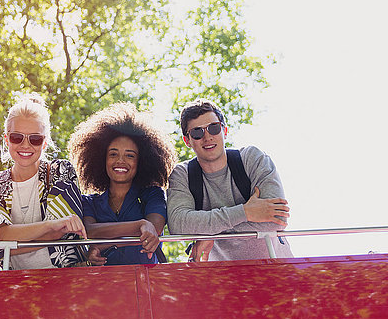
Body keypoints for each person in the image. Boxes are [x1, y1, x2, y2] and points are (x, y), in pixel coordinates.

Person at [167, 98, 293, 261]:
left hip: (275, 273)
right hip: (222, 280)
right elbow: (178, 225)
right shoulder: (182, 174)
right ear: (187, 141)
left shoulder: (252, 159)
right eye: (197, 132)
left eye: (214, 128)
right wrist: (246, 212)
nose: (207, 137)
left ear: (224, 130)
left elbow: (276, 219)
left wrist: (209, 233)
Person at [67, 102, 177, 265]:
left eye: (130, 155)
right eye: (113, 154)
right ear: (101, 159)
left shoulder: (153, 194)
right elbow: (89, 231)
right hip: (102, 284)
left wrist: (104, 243)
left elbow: (153, 230)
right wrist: (140, 224)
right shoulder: (89, 202)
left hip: (146, 283)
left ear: (142, 161)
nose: (120, 161)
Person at [0, 96, 87, 269]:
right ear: (6, 139)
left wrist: (11, 240)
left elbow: (63, 234)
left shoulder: (60, 172)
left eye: (35, 139)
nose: (25, 145)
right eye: (17, 137)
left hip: (65, 282)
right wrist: (49, 225)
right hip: (15, 286)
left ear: (45, 142)